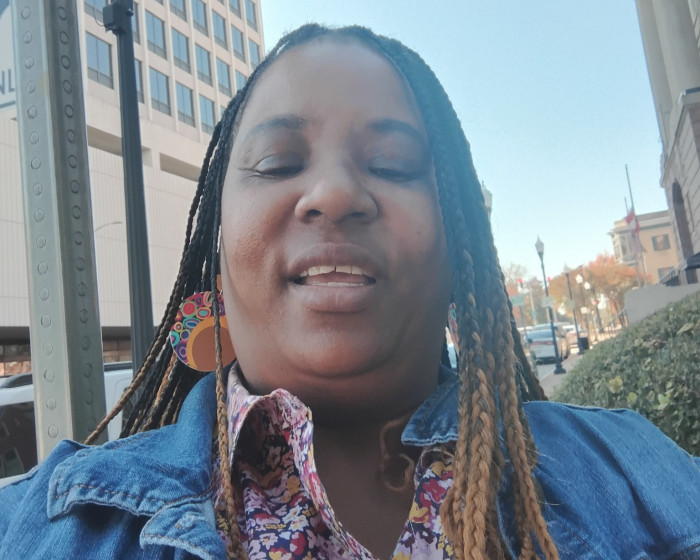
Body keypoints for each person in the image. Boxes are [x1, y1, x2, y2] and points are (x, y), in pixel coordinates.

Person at [1, 23, 699, 560]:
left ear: (459, 251)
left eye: (392, 164)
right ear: (218, 249)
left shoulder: (641, 479)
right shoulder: (39, 526)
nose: (334, 193)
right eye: (278, 163)